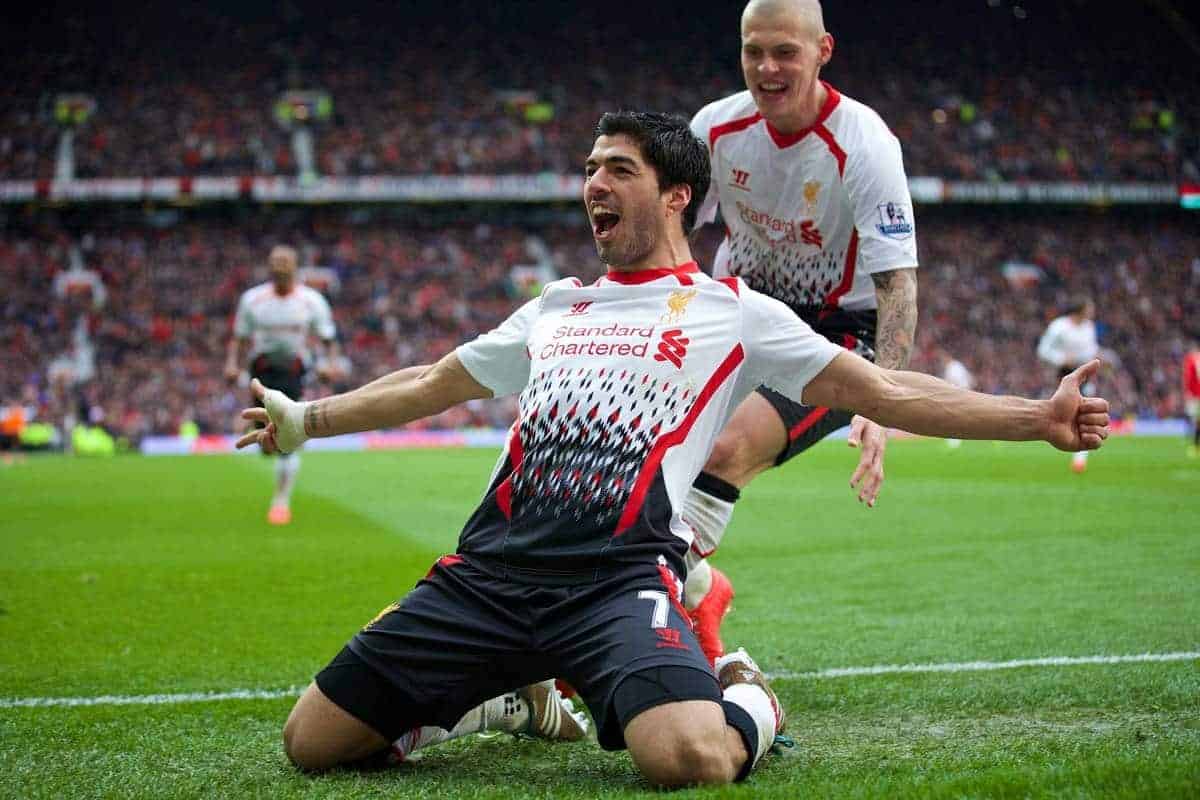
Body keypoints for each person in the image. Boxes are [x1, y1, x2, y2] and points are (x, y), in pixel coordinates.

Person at [238, 112, 1109, 787]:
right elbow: (432, 382)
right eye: (588, 170)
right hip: (490, 575)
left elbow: (884, 389)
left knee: (687, 758)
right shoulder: (555, 307)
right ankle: (518, 700)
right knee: (310, 744)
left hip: (615, 582)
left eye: (619, 168)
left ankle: (747, 693)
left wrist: (1036, 417)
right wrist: (305, 419)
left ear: (676, 196)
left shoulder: (736, 313)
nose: (594, 185)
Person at [682, 0, 920, 663]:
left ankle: (641, 624)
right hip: (743, 313)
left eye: (784, 51)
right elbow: (673, 231)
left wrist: (883, 397)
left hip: (836, 335)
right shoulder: (714, 128)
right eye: (753, 51)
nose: (766, 67)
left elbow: (898, 283)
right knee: (646, 452)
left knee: (726, 450)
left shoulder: (864, 141)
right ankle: (697, 594)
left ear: (823, 51)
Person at [224, 245, 342, 524]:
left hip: (295, 371)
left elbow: (328, 339)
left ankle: (281, 501)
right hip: (261, 371)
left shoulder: (311, 301)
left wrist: (330, 364)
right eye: (275, 261)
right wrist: (232, 364)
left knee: (289, 438)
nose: (279, 266)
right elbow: (239, 338)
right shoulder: (253, 300)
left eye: (284, 261)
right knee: (267, 444)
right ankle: (276, 453)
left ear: (295, 266)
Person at [1037, 297, 1099, 472]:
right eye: (1089, 308)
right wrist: (1062, 359)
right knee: (1066, 410)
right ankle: (1062, 440)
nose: (1092, 312)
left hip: (1084, 372)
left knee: (1085, 409)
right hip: (1063, 373)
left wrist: (1089, 358)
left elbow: (1092, 348)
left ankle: (1081, 456)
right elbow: (1043, 350)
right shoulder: (1059, 327)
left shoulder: (1089, 327)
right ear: (1079, 310)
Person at [939, 350, 974, 448]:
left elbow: (951, 382)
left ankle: (954, 440)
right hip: (965, 393)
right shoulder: (959, 365)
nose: (942, 361)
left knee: (953, 417)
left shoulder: (951, 367)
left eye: (943, 358)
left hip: (958, 395)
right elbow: (970, 379)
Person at [1183, 343, 1200, 457]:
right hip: (1195, 394)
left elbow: (1189, 378)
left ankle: (1195, 445)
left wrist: (1188, 391)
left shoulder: (1191, 359)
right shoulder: (1193, 359)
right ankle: (1195, 444)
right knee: (1195, 419)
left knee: (1195, 419)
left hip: (1195, 395)